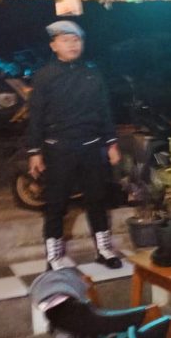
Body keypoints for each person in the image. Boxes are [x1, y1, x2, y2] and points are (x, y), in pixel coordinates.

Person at [26, 20, 122, 270]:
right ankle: (54, 257)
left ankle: (104, 250)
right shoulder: (44, 76)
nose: (72, 45)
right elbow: (35, 115)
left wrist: (111, 143)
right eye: (66, 40)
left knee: (97, 199)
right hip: (58, 148)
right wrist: (34, 151)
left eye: (76, 40)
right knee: (56, 203)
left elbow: (104, 111)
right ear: (53, 45)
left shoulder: (92, 74)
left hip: (91, 146)